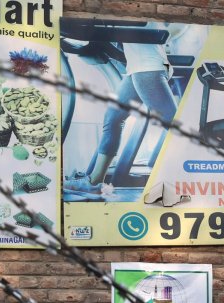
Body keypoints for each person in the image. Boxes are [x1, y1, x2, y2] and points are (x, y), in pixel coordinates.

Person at [64, 41, 177, 197]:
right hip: (139, 68)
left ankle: (201, 175)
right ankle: (93, 182)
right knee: (113, 118)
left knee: (176, 129)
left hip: (147, 69)